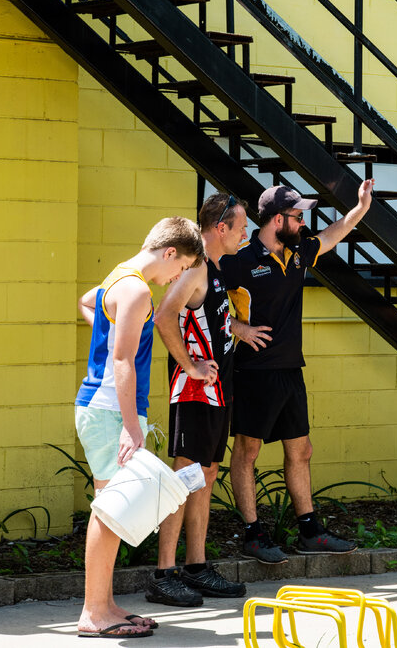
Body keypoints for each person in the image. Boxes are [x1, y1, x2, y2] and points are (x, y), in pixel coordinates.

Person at [220, 180, 374, 564]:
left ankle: (309, 531)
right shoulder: (239, 258)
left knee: (301, 450)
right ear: (276, 219)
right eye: (297, 216)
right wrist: (238, 328)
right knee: (248, 449)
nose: (304, 222)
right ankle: (254, 534)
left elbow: (331, 235)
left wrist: (360, 209)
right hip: (254, 370)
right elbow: (201, 300)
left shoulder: (298, 252)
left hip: (290, 369)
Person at [74, 217, 204, 638]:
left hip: (105, 407)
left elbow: (88, 302)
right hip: (112, 410)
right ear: (170, 253)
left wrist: (112, 328)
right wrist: (132, 427)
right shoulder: (136, 290)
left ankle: (104, 605)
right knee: (111, 511)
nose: (177, 278)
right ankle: (94, 613)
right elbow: (122, 361)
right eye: (180, 267)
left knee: (110, 506)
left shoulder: (120, 278)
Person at [146, 194, 269, 605]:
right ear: (221, 228)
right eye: (241, 227)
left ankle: (195, 566)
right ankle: (163, 574)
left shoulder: (211, 267)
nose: (245, 233)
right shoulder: (195, 264)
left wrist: (238, 327)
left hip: (219, 388)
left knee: (207, 474)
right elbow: (164, 315)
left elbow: (206, 314)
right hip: (196, 390)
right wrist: (191, 365)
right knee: (184, 476)